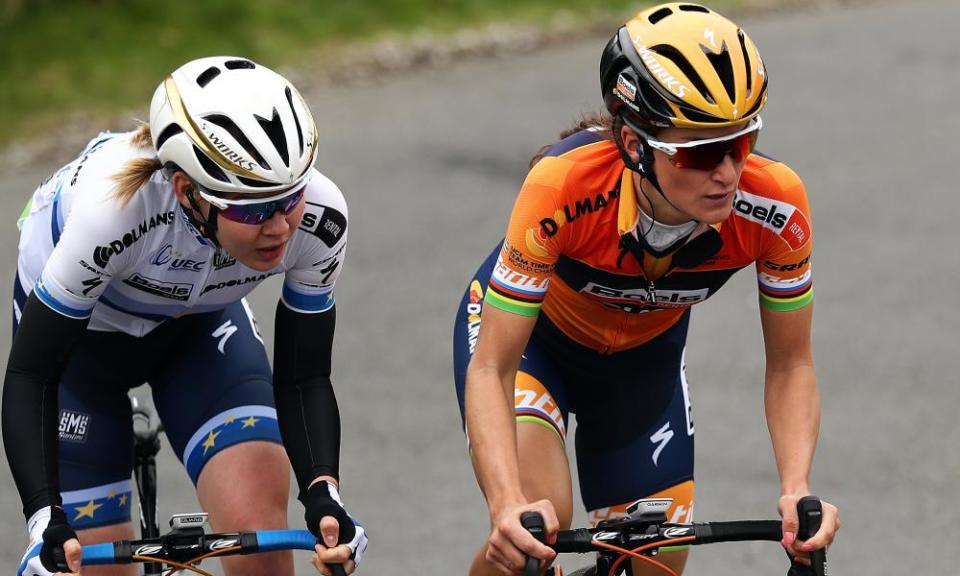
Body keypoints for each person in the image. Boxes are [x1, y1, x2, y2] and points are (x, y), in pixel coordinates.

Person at [452, 3, 839, 574]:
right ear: (635, 145)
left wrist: (796, 487)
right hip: (535, 351)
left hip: (643, 367)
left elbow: (791, 365)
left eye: (742, 143)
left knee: (653, 564)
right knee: (537, 526)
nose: (728, 173)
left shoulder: (776, 207)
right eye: (702, 150)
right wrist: (505, 505)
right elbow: (490, 369)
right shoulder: (564, 185)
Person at [5, 56, 367, 576]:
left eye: (289, 198)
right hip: (81, 352)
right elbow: (31, 375)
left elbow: (305, 374)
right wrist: (45, 520)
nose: (281, 227)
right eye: (251, 210)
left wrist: (325, 495)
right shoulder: (113, 214)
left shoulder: (320, 217)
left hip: (200, 327)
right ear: (186, 193)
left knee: (259, 527)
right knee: (85, 562)